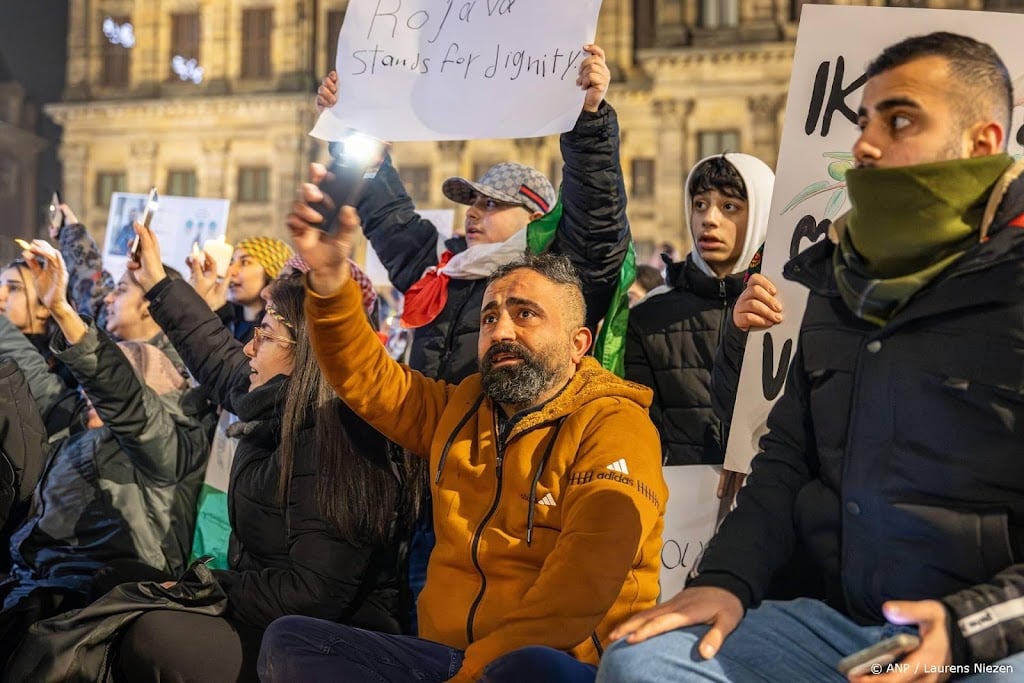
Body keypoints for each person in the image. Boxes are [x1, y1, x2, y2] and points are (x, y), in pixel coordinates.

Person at [599, 31, 1024, 682]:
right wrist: (726, 580)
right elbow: (785, 463)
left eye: (900, 118)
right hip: (842, 626)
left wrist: (970, 625)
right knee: (641, 660)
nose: (865, 144)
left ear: (983, 142)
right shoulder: (839, 281)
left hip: (991, 638)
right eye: (863, 121)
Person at [258, 205, 666, 683]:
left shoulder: (614, 424)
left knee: (525, 667)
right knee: (291, 641)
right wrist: (328, 282)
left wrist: (474, 672)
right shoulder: (463, 407)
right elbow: (368, 379)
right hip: (451, 662)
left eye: (526, 314)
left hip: (562, 666)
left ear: (579, 344)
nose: (501, 331)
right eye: (489, 317)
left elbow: (583, 584)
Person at [107, 222, 418, 682]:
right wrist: (156, 280)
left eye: (266, 335)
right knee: (117, 590)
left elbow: (314, 592)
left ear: (306, 352)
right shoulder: (277, 401)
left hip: (324, 642)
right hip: (273, 616)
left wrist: (206, 588)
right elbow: (217, 359)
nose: (248, 346)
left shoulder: (338, 437)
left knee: (149, 633)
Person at [0, 239, 212, 665]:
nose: (90, 394)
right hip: (32, 587)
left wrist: (62, 309)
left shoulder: (163, 447)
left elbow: (122, 396)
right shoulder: (76, 432)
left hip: (87, 609)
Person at [625, 154, 774, 466]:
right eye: (700, 205)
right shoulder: (647, 318)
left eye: (729, 206)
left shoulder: (784, 307)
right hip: (680, 499)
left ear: (762, 214)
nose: (709, 219)